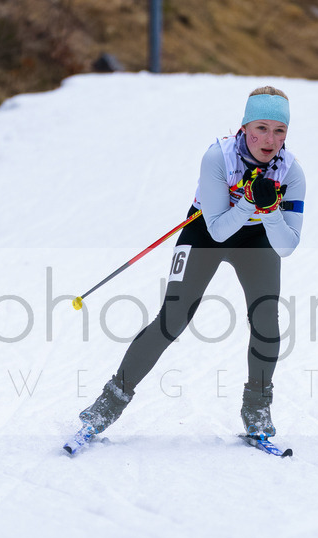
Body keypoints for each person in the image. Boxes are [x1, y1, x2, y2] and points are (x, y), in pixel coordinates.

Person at [76, 86, 306, 440]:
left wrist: (271, 210)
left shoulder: (290, 173)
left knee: (266, 320)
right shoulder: (219, 158)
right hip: (206, 231)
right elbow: (217, 231)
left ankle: (257, 407)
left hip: (257, 238)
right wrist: (247, 202)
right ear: (243, 127)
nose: (269, 139)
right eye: (261, 127)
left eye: (279, 131)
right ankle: (110, 401)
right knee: (172, 319)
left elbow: (287, 246)